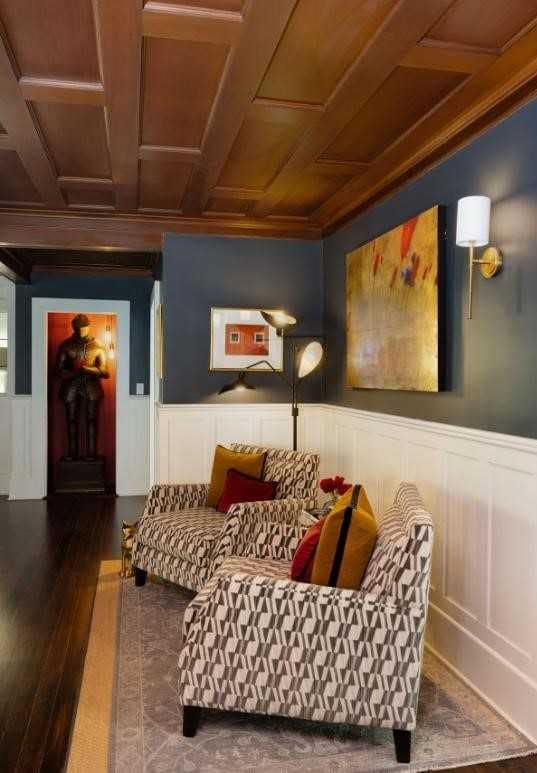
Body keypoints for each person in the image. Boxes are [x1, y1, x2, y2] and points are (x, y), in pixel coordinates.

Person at [55, 314, 109, 460]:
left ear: (88, 327)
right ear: (73, 327)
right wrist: (73, 372)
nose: (81, 330)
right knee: (71, 420)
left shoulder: (98, 346)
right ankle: (72, 453)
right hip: (71, 385)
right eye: (78, 327)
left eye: (83, 327)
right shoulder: (66, 345)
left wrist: (86, 368)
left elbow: (105, 372)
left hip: (91, 385)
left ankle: (91, 453)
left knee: (91, 420)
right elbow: (58, 371)